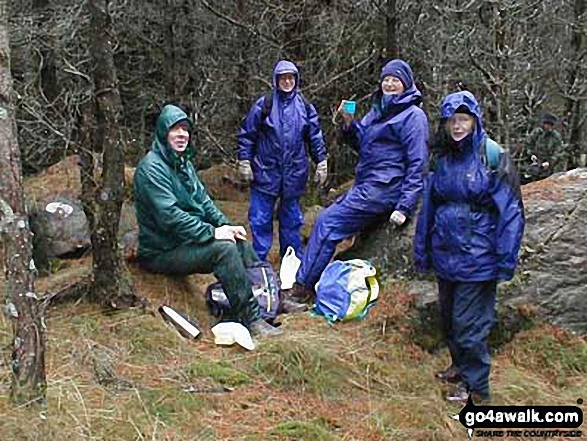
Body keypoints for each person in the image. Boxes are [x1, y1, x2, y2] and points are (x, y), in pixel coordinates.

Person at [414, 91, 525, 403]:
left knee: (470, 325)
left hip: (479, 258)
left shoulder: (492, 157)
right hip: (447, 255)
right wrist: (422, 251)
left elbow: (511, 211)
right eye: (452, 120)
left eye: (463, 119)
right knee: (449, 319)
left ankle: (477, 389)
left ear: (475, 120)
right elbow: (429, 209)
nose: (457, 126)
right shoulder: (442, 158)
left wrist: (506, 258)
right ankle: (460, 367)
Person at [287, 59, 429, 303]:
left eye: (396, 80)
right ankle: (306, 283)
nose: (390, 84)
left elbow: (418, 163)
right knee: (329, 221)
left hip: (385, 188)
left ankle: (302, 288)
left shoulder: (413, 116)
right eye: (386, 79)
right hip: (369, 183)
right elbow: (363, 144)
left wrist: (404, 206)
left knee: (328, 222)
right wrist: (349, 124)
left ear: (406, 84)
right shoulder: (379, 110)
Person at [134, 104, 282, 337]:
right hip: (162, 251)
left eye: (186, 130)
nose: (182, 134)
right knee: (224, 250)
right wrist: (212, 233)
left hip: (183, 242)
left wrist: (224, 226)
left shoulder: (183, 163)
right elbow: (170, 217)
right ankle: (252, 319)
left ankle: (270, 301)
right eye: (175, 129)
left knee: (239, 243)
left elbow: (204, 202)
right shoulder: (151, 169)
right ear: (163, 132)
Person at [237, 60, 328, 263]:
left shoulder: (305, 107)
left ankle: (291, 263)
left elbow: (314, 136)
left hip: (294, 175)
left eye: (290, 77)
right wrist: (244, 160)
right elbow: (247, 134)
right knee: (260, 220)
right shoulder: (264, 104)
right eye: (283, 78)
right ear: (276, 80)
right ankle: (257, 263)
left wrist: (321, 161)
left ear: (296, 80)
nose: (287, 81)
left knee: (292, 221)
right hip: (265, 172)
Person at [520, 113, 565, 183]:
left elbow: (559, 153)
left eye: (550, 125)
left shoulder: (556, 137)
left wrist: (549, 162)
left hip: (549, 166)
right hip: (534, 163)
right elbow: (528, 144)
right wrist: (531, 155)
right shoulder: (536, 133)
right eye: (546, 124)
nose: (547, 126)